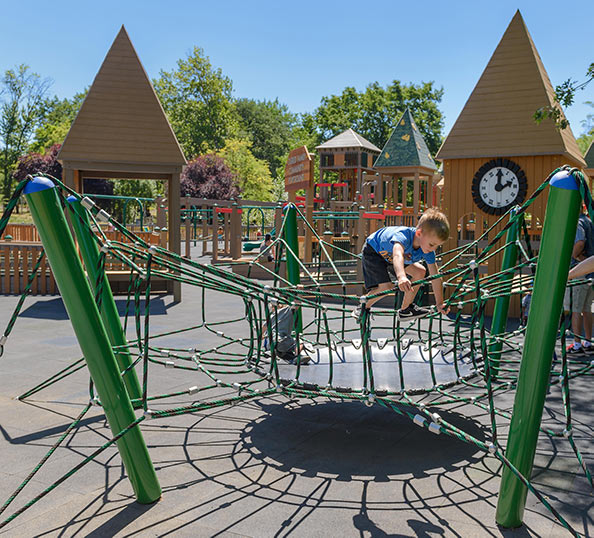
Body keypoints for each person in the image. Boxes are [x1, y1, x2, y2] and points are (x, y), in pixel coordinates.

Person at [352, 208, 451, 322]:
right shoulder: (403, 236)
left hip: (392, 257)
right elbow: (397, 255)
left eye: (437, 246)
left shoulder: (428, 250)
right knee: (386, 287)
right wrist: (401, 276)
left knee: (420, 272)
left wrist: (439, 303)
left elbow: (435, 276)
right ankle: (362, 307)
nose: (433, 249)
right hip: (375, 251)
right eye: (432, 244)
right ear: (419, 233)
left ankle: (405, 310)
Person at [563, 209, 594, 354]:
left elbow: (580, 242)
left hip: (580, 270)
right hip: (589, 272)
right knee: (586, 308)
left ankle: (576, 344)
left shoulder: (578, 222)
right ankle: (587, 340)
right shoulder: (589, 221)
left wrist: (574, 255)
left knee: (576, 308)